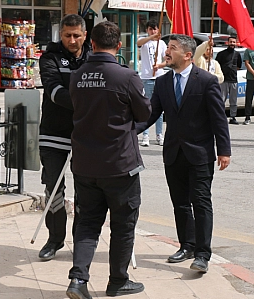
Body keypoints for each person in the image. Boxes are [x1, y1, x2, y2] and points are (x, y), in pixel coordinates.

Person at [66, 21, 151, 299]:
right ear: (119, 46)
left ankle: (78, 280)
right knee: (123, 225)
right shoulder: (126, 77)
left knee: (87, 223)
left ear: (91, 43)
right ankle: (117, 280)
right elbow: (144, 114)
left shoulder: (77, 76)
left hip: (85, 164)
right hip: (119, 165)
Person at [138, 34, 231, 274]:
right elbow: (151, 114)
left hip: (199, 153)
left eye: (172, 48)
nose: (166, 52)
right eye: (167, 48)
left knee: (200, 202)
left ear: (188, 55)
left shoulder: (207, 81)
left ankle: (202, 254)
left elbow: (218, 119)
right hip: (173, 153)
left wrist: (224, 150)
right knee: (180, 203)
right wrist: (128, 131)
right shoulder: (162, 82)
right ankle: (186, 245)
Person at [37, 14, 90, 261]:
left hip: (85, 134)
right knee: (53, 187)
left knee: (85, 190)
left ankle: (82, 242)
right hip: (53, 132)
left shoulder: (94, 56)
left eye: (76, 35)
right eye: (67, 35)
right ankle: (54, 240)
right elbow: (55, 92)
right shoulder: (50, 57)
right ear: (61, 35)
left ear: (85, 35)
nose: (72, 40)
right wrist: (90, 104)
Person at [136, 20, 167, 147]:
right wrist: (150, 37)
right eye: (150, 29)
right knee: (147, 107)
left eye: (155, 29)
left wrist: (159, 65)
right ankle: (145, 134)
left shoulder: (162, 43)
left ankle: (159, 134)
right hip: (146, 77)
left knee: (159, 108)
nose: (153, 31)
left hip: (159, 77)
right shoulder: (145, 41)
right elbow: (138, 43)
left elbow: (168, 60)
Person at [216, 34, 243, 124]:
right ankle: (220, 117)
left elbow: (239, 66)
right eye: (231, 42)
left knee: (233, 100)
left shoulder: (237, 54)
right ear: (227, 43)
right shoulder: (221, 54)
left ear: (236, 43)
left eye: (234, 42)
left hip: (234, 80)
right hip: (223, 80)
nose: (232, 43)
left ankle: (233, 117)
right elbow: (217, 66)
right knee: (221, 100)